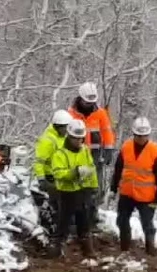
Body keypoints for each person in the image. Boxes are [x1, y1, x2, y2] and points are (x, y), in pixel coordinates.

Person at [110, 116, 157, 255]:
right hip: (127, 193)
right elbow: (118, 169)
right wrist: (113, 187)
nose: (142, 138)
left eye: (144, 135)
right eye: (139, 135)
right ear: (134, 134)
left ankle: (150, 247)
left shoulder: (154, 150)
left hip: (146, 196)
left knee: (147, 224)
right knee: (122, 221)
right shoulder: (126, 147)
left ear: (148, 134)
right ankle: (124, 247)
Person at [47, 119, 99, 257]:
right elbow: (58, 173)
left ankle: (87, 249)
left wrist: (94, 188)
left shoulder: (85, 151)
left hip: (83, 191)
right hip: (67, 193)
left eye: (80, 138)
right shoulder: (60, 154)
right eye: (76, 138)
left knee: (84, 221)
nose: (78, 141)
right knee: (63, 221)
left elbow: (92, 168)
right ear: (69, 137)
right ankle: (55, 248)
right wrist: (74, 172)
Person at [68, 82, 116, 200]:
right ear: (80, 99)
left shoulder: (101, 113)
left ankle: (92, 208)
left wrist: (109, 149)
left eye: (92, 103)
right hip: (76, 154)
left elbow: (107, 131)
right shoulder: (71, 114)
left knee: (94, 186)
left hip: (95, 155)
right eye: (87, 102)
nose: (89, 105)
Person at [32, 110, 73, 242]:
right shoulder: (48, 140)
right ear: (58, 126)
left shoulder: (64, 138)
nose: (67, 130)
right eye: (65, 127)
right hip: (51, 178)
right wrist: (41, 178)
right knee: (58, 206)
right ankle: (56, 234)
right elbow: (39, 161)